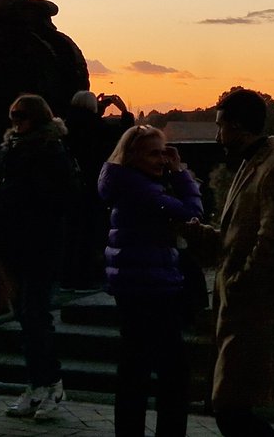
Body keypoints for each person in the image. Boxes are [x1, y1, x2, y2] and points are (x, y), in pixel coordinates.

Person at [183, 88, 274, 437]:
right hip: (241, 310)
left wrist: (240, 283)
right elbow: (239, 235)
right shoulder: (256, 164)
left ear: (238, 126)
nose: (218, 135)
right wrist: (203, 235)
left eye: (221, 126)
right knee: (232, 410)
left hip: (254, 313)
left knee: (233, 411)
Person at [98, 125, 202, 437]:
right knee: (173, 371)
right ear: (133, 156)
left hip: (133, 283)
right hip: (151, 285)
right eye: (154, 153)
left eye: (164, 152)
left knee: (135, 367)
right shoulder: (142, 190)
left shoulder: (125, 183)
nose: (161, 160)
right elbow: (191, 212)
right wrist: (181, 173)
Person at [0, 94, 77, 420]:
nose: (16, 120)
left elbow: (58, 198)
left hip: (40, 242)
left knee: (35, 314)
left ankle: (51, 382)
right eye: (13, 115)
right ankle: (38, 382)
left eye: (21, 115)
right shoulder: (11, 150)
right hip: (17, 242)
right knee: (27, 317)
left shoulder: (50, 151)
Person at [63, 90, 134, 287]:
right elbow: (124, 135)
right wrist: (124, 110)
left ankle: (71, 276)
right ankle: (88, 275)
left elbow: (87, 120)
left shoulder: (68, 125)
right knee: (92, 230)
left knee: (74, 232)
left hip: (73, 186)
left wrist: (99, 107)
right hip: (93, 183)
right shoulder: (95, 127)